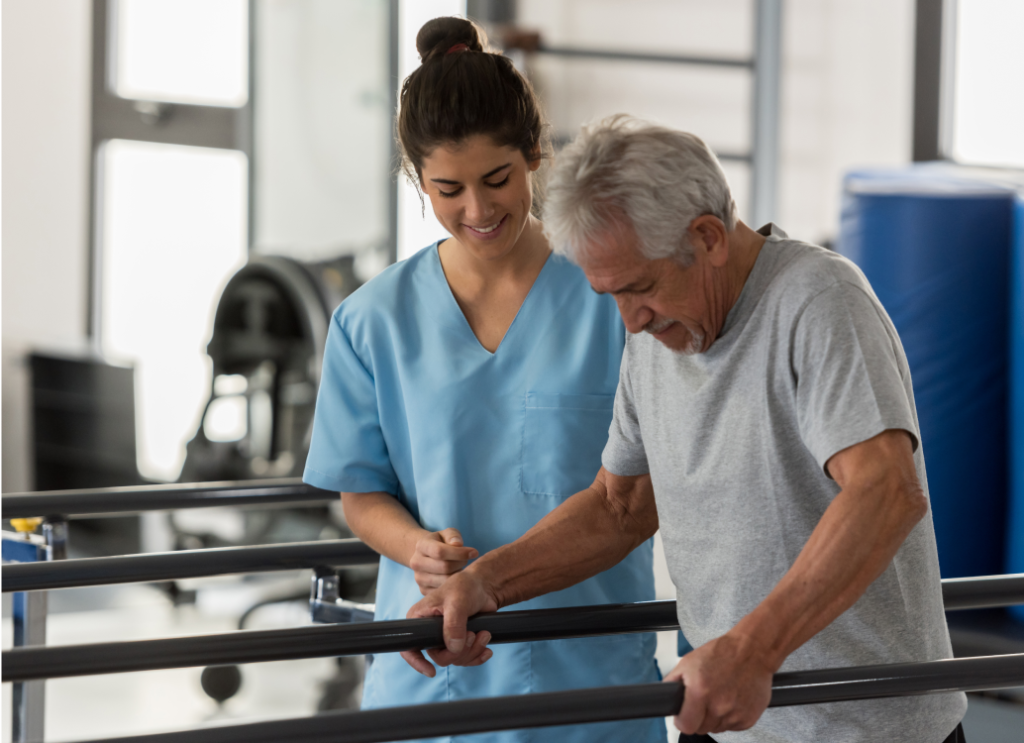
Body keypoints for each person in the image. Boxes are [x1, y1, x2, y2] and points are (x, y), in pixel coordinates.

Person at [404, 116, 969, 743]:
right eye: (610, 295)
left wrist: (751, 652)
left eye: (641, 288)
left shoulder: (818, 301)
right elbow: (619, 509)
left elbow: (885, 493)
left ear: (707, 237)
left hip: (865, 728)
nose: (632, 320)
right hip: (725, 722)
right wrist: (484, 583)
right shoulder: (657, 336)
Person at [302, 21, 664, 743]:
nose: (478, 209)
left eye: (498, 179)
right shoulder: (372, 321)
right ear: (417, 180)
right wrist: (412, 546)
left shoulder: (614, 301)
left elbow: (644, 494)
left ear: (536, 153)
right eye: (448, 189)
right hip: (432, 671)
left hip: (587, 673)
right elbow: (361, 493)